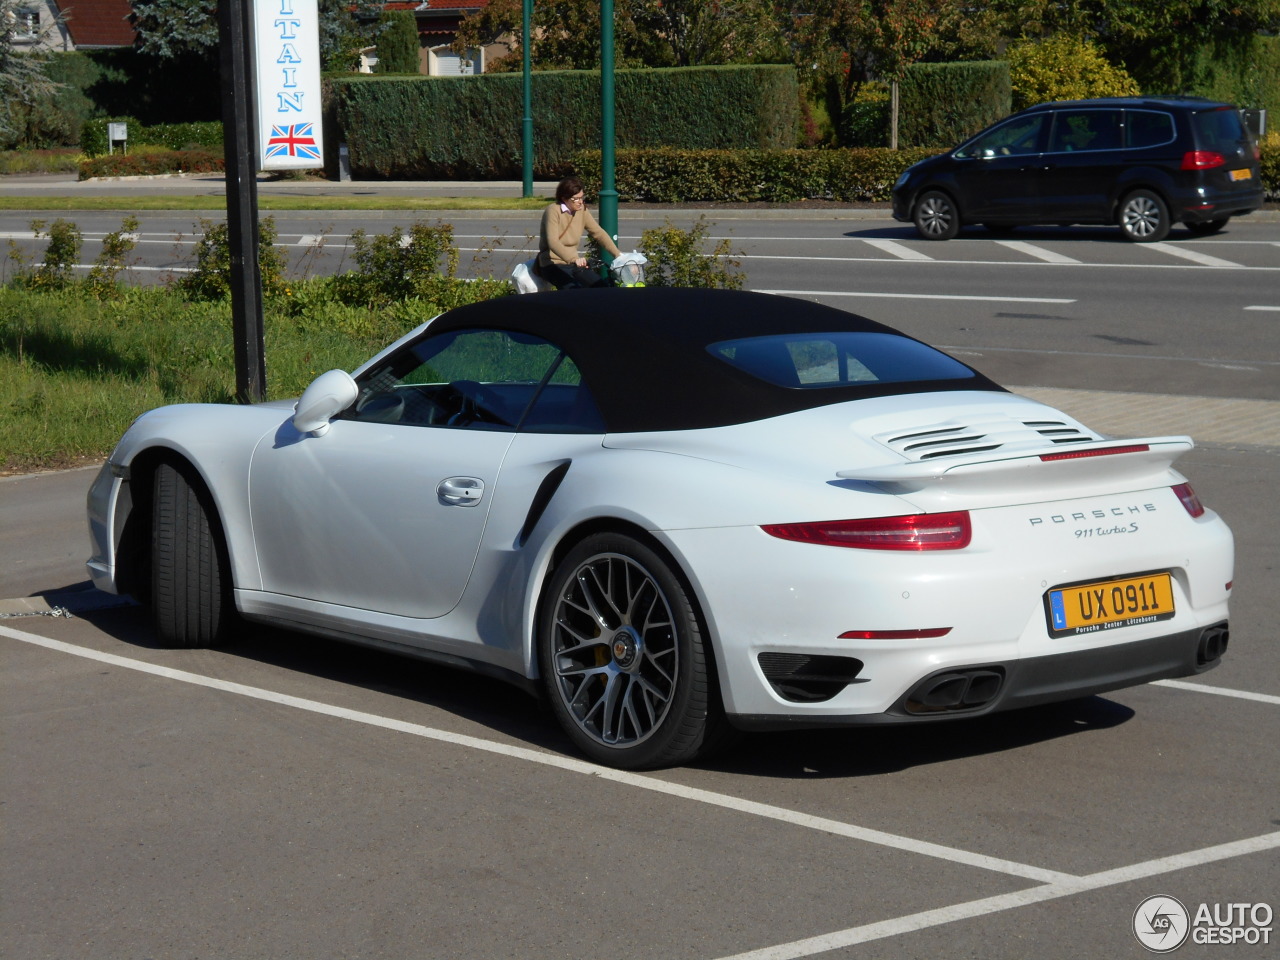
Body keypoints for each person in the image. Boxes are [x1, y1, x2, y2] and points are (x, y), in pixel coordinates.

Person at [537, 176, 622, 288]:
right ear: (564, 198)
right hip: (552, 263)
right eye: (575, 199)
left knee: (601, 287)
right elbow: (553, 242)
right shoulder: (553, 211)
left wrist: (618, 255)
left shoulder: (582, 210)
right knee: (574, 289)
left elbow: (598, 233)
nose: (580, 202)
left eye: (582, 197)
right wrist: (574, 259)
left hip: (573, 264)